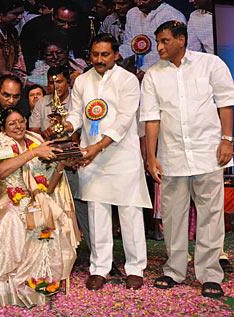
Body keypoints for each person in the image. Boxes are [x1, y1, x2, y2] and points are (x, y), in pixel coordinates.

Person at [141, 21, 234, 299]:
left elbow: (225, 103)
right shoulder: (153, 75)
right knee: (172, 216)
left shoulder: (211, 64)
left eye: (165, 41)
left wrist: (227, 141)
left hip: (208, 153)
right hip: (172, 156)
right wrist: (151, 157)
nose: (159, 47)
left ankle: (210, 274)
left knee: (211, 215)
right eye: (157, 41)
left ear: (181, 40)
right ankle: (174, 270)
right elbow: (151, 118)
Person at [65, 33, 151, 290]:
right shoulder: (81, 81)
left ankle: (135, 267)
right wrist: (63, 126)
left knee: (130, 211)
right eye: (95, 55)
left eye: (105, 55)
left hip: (121, 156)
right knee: (96, 211)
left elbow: (124, 120)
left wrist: (97, 147)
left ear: (115, 55)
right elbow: (75, 114)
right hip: (90, 155)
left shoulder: (128, 81)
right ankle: (100, 267)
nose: (99, 60)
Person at [0, 107, 80, 307]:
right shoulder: (0, 144)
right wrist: (33, 153)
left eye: (21, 121)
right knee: (12, 221)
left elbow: (48, 188)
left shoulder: (35, 141)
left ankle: (42, 281)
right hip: (9, 199)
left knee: (52, 219)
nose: (18, 126)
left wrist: (61, 166)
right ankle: (14, 284)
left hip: (37, 199)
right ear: (3, 128)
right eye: (12, 123)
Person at [29, 65, 91, 250]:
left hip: (75, 163)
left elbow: (84, 132)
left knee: (82, 206)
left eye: (59, 81)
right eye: (50, 82)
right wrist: (46, 135)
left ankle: (99, 255)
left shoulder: (77, 101)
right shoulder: (42, 103)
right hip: (49, 164)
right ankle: (56, 252)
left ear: (68, 82)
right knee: (51, 205)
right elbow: (33, 133)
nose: (54, 86)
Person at [20, 0, 91, 74]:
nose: (66, 26)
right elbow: (28, 61)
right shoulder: (33, 28)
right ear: (53, 16)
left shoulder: (82, 26)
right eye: (61, 22)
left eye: (71, 23)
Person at [119, 0, 186, 77]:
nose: (139, 3)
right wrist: (119, 55)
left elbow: (172, 51)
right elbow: (129, 43)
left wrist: (146, 69)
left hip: (164, 72)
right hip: (135, 71)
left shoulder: (173, 16)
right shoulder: (132, 13)